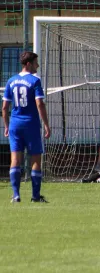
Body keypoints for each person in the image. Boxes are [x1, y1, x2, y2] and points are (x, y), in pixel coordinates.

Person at [2, 51, 51, 203]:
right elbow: (39, 103)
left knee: (15, 159)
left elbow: (4, 107)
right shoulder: (34, 81)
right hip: (31, 124)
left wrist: (6, 125)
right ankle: (35, 196)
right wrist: (46, 124)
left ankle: (16, 195)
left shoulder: (11, 81)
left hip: (15, 124)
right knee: (35, 158)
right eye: (36, 62)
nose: (37, 65)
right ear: (28, 64)